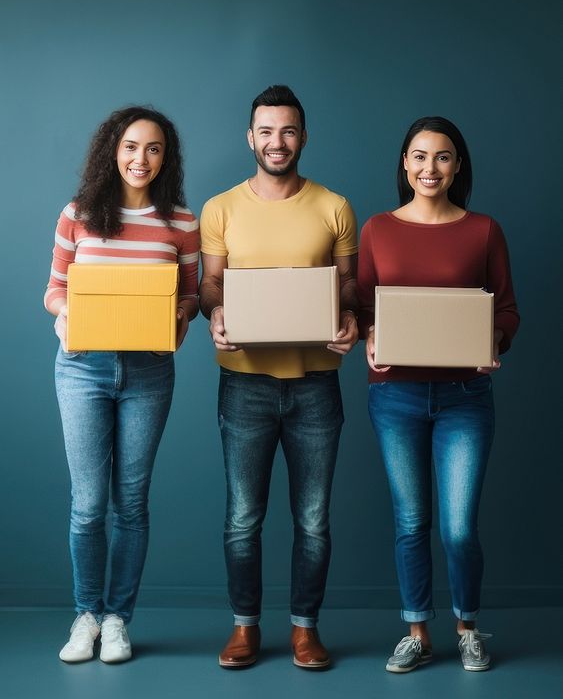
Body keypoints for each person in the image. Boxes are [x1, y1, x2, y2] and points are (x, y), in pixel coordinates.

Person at [199, 84, 358, 670]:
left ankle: (304, 629)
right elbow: (210, 285)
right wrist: (215, 311)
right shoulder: (220, 208)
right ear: (250, 137)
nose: (277, 142)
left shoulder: (334, 205)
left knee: (313, 519)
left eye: (288, 131)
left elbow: (349, 284)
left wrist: (348, 316)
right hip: (245, 382)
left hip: (317, 381)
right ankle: (245, 628)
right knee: (244, 516)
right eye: (266, 131)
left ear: (303, 137)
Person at [358, 115, 519, 674]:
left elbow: (505, 307)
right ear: (404, 163)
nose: (431, 168)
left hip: (465, 396)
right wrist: (370, 337)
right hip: (395, 395)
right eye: (420, 156)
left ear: (457, 167)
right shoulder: (377, 228)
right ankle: (418, 632)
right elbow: (362, 308)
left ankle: (468, 627)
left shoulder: (484, 230)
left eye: (443, 157)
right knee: (410, 522)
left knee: (458, 527)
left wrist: (494, 338)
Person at [44, 105, 199, 664]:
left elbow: (190, 296)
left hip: (149, 372)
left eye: (154, 149)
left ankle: (117, 620)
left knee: (130, 503)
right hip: (83, 366)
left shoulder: (181, 222)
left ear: (166, 158)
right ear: (113, 150)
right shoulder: (79, 213)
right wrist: (68, 319)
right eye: (132, 147)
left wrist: (179, 319)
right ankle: (85, 615)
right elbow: (54, 290)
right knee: (88, 506)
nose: (142, 158)